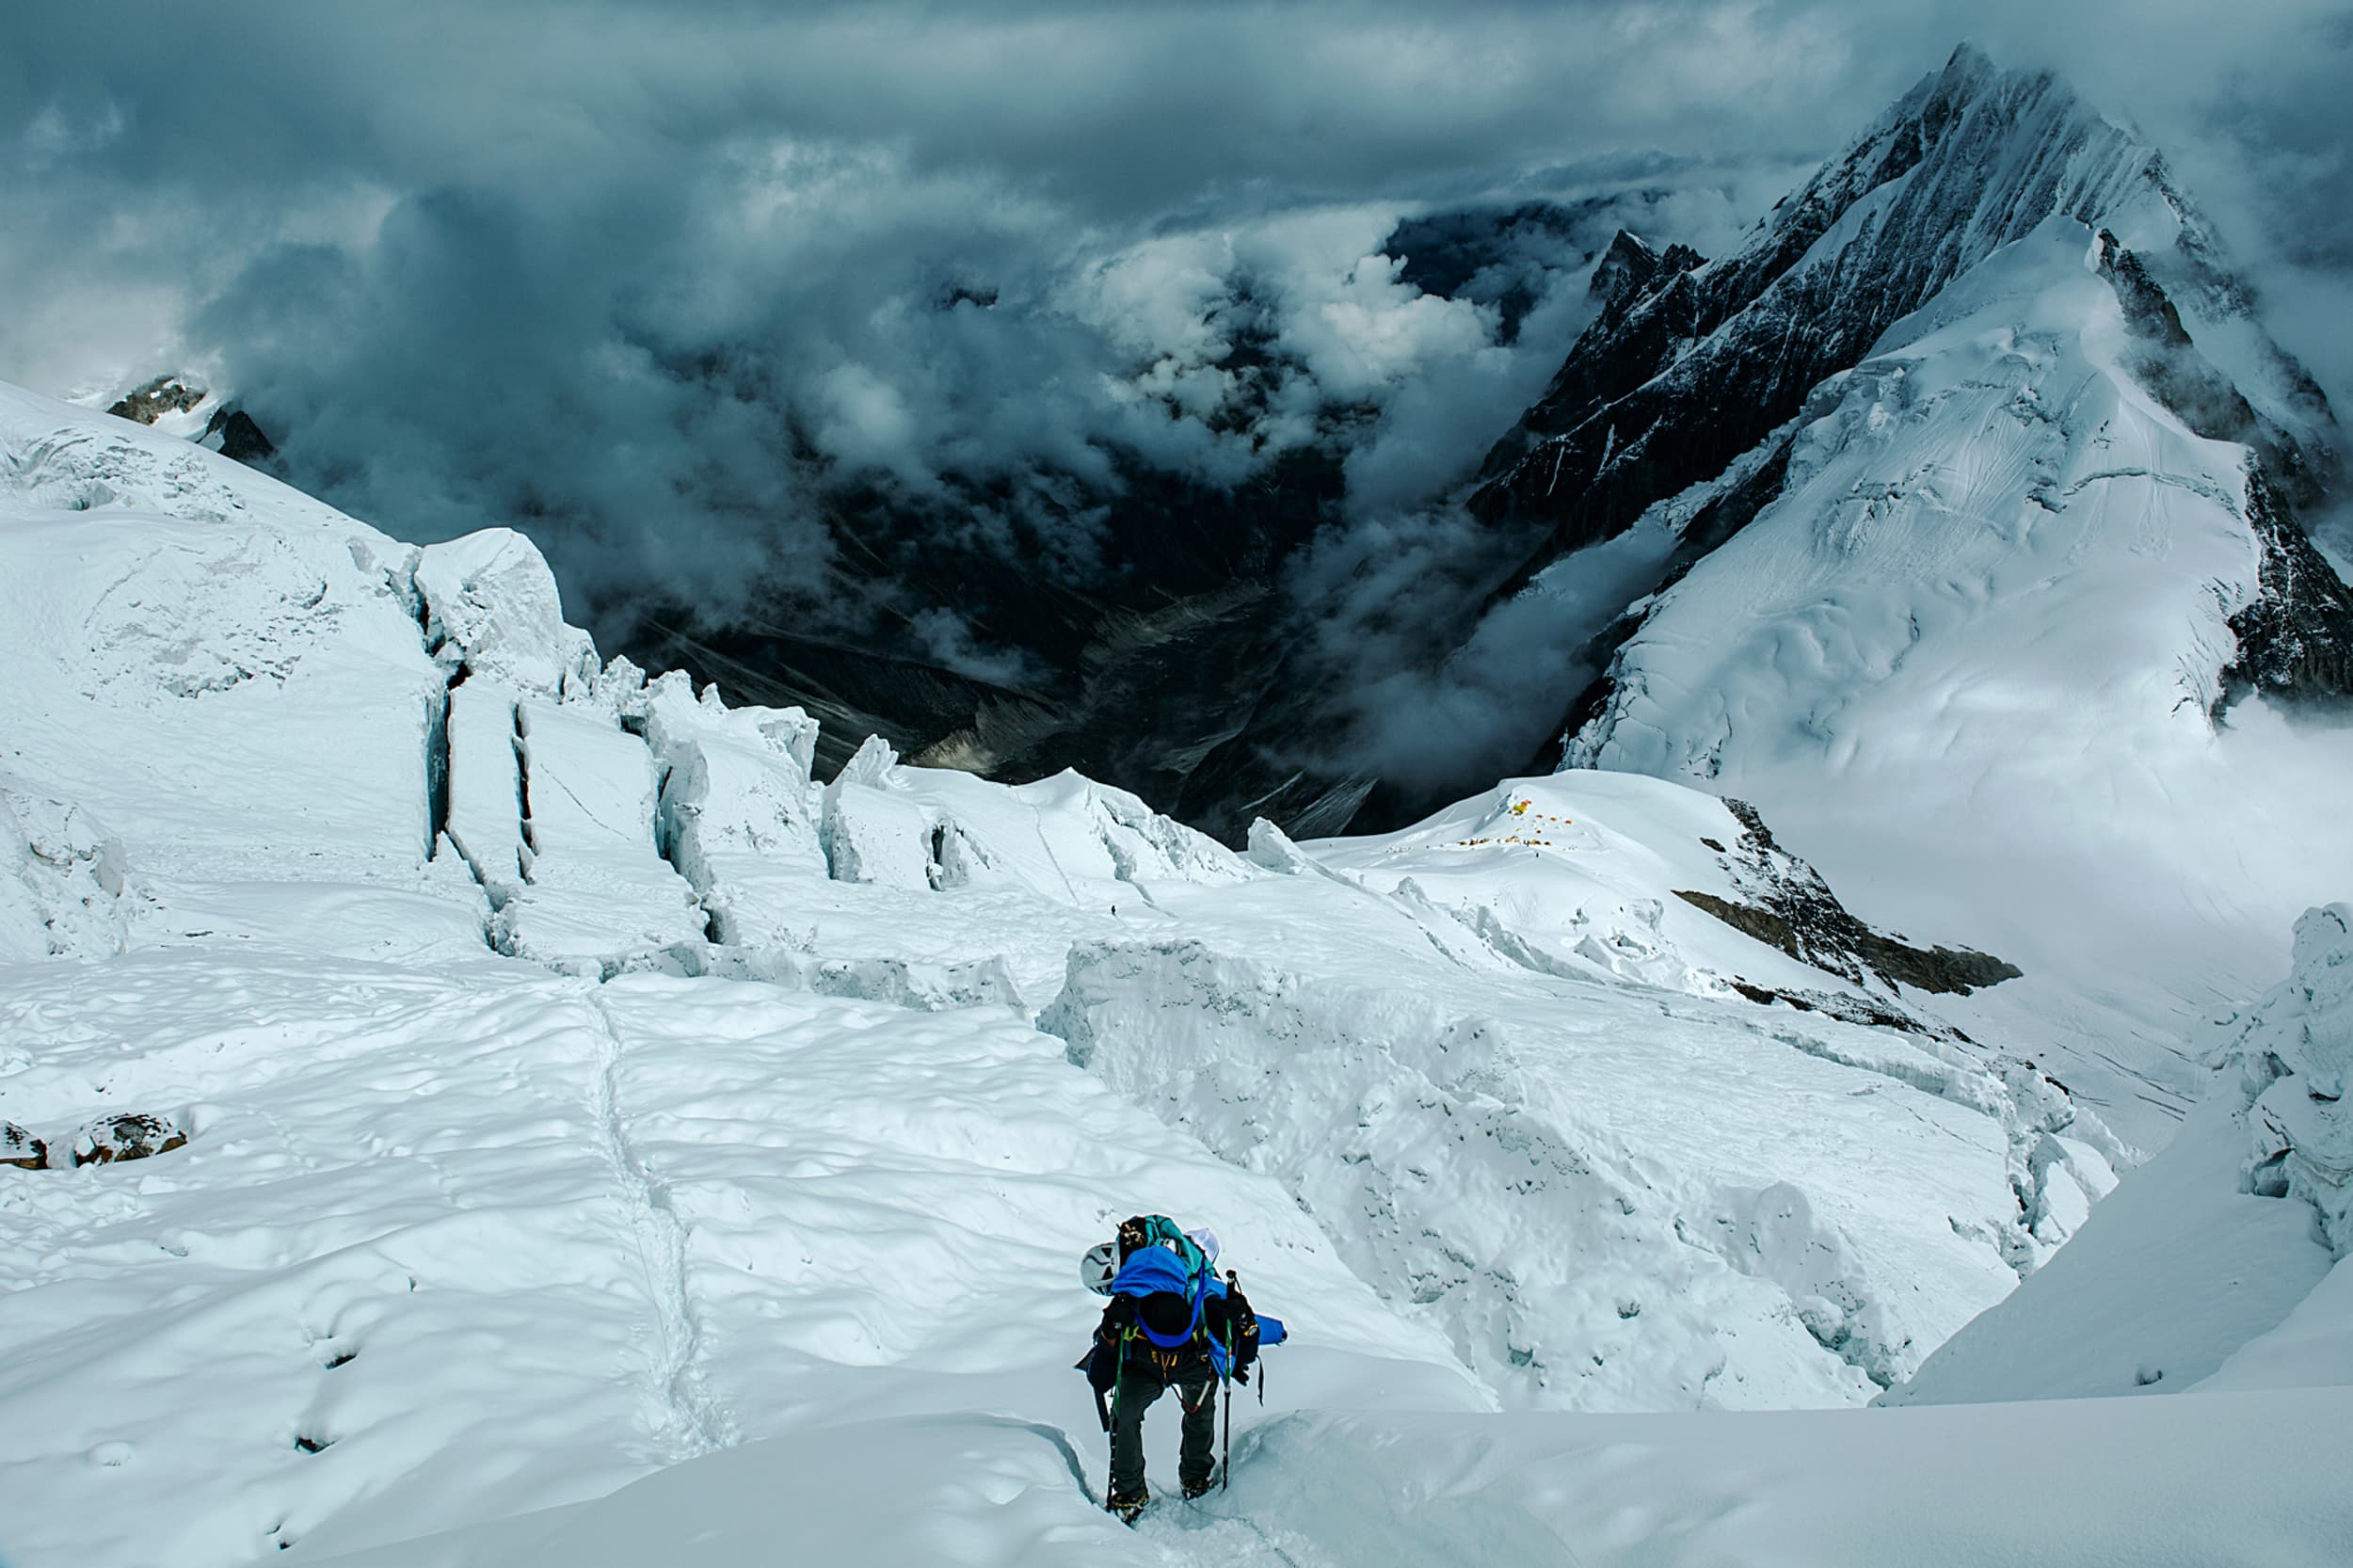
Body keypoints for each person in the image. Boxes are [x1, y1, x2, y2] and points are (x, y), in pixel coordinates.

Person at [1079, 1214, 1260, 1515]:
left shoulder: (1124, 1304)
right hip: (1193, 1361)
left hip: (1142, 1366)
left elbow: (1100, 1379)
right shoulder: (1197, 1289)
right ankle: (1196, 1479)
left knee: (1125, 1417)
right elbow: (1245, 1351)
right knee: (1199, 1412)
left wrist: (1111, 1335)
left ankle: (1129, 1493)